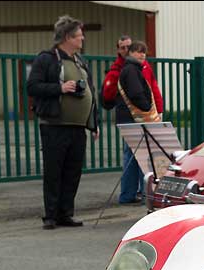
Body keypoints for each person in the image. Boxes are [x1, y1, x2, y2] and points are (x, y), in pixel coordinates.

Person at [27, 15, 98, 230]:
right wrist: (60, 88)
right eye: (79, 35)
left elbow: (91, 93)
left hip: (78, 128)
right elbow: (32, 87)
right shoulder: (47, 59)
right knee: (54, 171)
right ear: (67, 37)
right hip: (54, 125)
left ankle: (66, 213)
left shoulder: (80, 61)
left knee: (73, 172)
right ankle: (51, 216)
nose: (82, 38)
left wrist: (93, 123)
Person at [101, 34, 163, 204]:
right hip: (133, 118)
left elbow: (153, 88)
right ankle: (139, 194)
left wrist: (158, 107)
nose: (141, 54)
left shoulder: (136, 68)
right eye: (136, 51)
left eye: (143, 52)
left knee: (135, 156)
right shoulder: (129, 70)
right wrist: (148, 108)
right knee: (140, 156)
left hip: (130, 117)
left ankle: (133, 194)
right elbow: (136, 93)